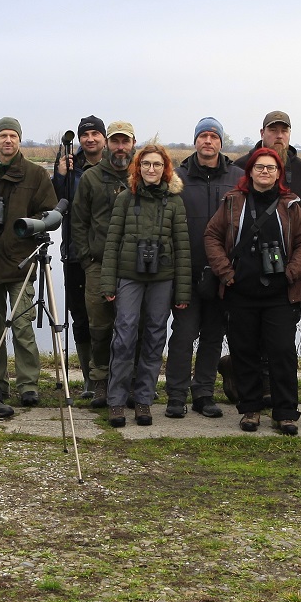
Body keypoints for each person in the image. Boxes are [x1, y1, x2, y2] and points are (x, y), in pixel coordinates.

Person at [205, 147, 301, 435]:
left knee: (282, 353)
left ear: (279, 174)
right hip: (240, 292)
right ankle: (250, 409)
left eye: (271, 168)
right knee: (244, 352)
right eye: (260, 167)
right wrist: (226, 273)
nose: (265, 172)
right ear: (250, 171)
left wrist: (291, 272)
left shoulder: (290, 204)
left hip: (280, 293)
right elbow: (212, 236)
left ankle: (286, 412)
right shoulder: (232, 202)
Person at [99, 144, 192, 427]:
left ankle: (143, 401)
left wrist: (183, 290)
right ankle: (116, 402)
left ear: (166, 169)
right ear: (138, 167)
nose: (151, 169)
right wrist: (107, 282)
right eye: (146, 164)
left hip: (162, 278)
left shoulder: (174, 201)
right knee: (125, 335)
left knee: (154, 338)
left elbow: (183, 248)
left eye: (157, 165)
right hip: (129, 276)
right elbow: (112, 243)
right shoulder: (126, 199)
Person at [0, 117, 59, 411]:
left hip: (21, 263)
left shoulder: (36, 174)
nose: (8, 141)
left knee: (22, 326)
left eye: (13, 135)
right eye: (3, 136)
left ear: (20, 140)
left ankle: (28, 385)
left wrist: (32, 227)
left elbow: (50, 213)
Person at [165, 117, 243, 418]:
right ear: (195, 141)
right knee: (183, 335)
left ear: (220, 142)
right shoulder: (177, 177)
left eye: (213, 136)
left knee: (213, 335)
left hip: (223, 273)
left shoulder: (237, 177)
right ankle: (176, 394)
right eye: (203, 136)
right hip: (187, 269)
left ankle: (204, 393)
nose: (208, 141)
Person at [69, 121, 137, 407]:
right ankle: (100, 381)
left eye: (125, 141)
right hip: (97, 264)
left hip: (135, 266)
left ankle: (132, 382)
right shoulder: (91, 177)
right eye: (115, 141)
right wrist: (86, 257)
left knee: (134, 325)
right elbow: (79, 221)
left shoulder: (142, 175)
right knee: (99, 325)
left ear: (133, 143)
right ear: (108, 143)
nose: (120, 147)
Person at [59, 115, 107, 401]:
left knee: (106, 317)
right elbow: (56, 203)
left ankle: (108, 375)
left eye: (95, 134)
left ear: (103, 137)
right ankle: (89, 378)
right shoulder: (69, 165)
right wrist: (61, 176)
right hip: (74, 253)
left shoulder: (115, 167)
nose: (90, 139)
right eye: (85, 134)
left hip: (105, 256)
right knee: (79, 316)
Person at [248, 111, 301, 207]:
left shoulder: (300, 168)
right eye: (273, 130)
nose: (279, 136)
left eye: (284, 131)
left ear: (289, 134)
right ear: (262, 133)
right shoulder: (243, 165)